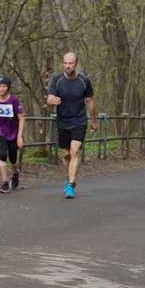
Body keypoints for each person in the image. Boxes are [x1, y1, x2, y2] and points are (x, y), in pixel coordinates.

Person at [46, 53, 97, 199]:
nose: (68, 66)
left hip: (79, 121)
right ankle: (68, 176)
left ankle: (70, 184)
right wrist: (52, 100)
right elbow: (49, 97)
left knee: (75, 151)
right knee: (66, 154)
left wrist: (94, 121)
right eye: (65, 63)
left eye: (70, 63)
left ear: (76, 63)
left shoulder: (84, 81)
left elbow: (90, 101)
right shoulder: (57, 80)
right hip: (63, 122)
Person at [0, 76, 25, 193]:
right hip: (1, 131)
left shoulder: (14, 100)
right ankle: (5, 183)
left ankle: (15, 173)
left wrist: (19, 136)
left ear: (8, 88)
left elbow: (21, 118)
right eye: (0, 86)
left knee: (13, 158)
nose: (1, 88)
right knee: (2, 155)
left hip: (13, 132)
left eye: (4, 86)